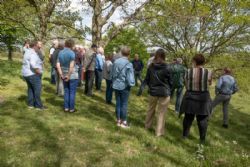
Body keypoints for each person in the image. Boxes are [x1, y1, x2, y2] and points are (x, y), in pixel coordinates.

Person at [180, 54, 212, 143]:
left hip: (190, 96)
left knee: (188, 117)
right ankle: (202, 139)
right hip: (203, 97)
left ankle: (184, 136)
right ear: (203, 62)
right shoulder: (208, 72)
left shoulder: (188, 71)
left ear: (194, 61)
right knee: (202, 119)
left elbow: (186, 84)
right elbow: (209, 84)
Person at [142, 49, 172, 137]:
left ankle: (147, 126)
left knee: (150, 110)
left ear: (156, 56)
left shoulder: (151, 66)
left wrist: (145, 87)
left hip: (153, 91)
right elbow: (171, 82)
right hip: (164, 92)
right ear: (164, 56)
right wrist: (170, 90)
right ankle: (158, 132)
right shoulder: (168, 67)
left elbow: (147, 79)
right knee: (161, 113)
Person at [112, 46, 135, 128]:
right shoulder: (129, 64)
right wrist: (131, 84)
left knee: (118, 103)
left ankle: (118, 120)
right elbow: (130, 78)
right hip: (125, 86)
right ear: (129, 54)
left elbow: (113, 74)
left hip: (116, 84)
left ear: (121, 53)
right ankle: (124, 122)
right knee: (124, 104)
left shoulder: (116, 62)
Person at [21, 40, 46, 110]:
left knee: (30, 89)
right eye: (37, 46)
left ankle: (30, 104)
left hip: (26, 74)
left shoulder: (27, 51)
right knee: (37, 89)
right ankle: (38, 106)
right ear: (34, 46)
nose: (38, 48)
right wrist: (38, 72)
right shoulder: (32, 53)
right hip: (33, 74)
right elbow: (33, 64)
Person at [57, 39, 78, 113]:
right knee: (72, 92)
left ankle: (66, 108)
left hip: (63, 74)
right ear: (72, 45)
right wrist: (68, 75)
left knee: (66, 91)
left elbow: (58, 64)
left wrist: (61, 74)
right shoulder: (72, 53)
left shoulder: (60, 52)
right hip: (72, 75)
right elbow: (71, 66)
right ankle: (71, 109)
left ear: (65, 44)